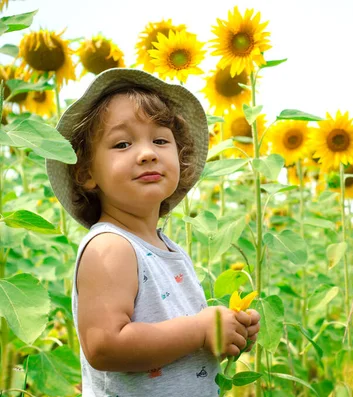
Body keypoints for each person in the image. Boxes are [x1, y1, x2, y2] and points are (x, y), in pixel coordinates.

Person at [46, 68, 259, 396]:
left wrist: (227, 332)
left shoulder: (168, 249)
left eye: (160, 140)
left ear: (180, 158)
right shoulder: (110, 247)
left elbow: (174, 338)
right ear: (87, 172)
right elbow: (104, 345)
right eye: (122, 143)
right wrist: (201, 330)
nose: (147, 153)